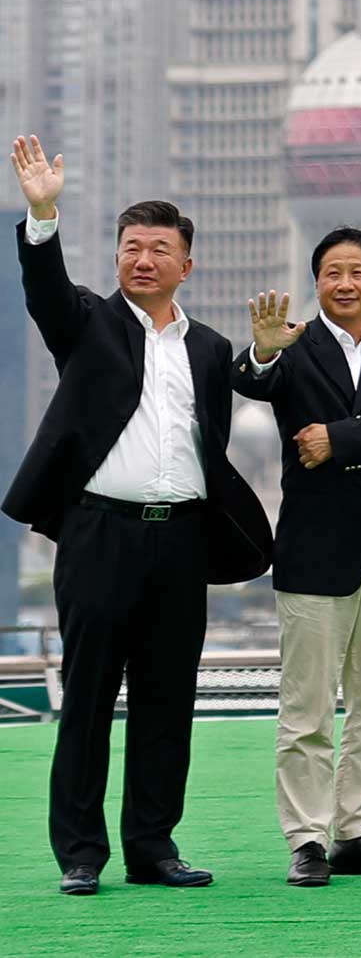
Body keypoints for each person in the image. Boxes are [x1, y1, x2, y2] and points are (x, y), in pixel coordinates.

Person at [6, 135, 272, 896]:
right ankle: (81, 852)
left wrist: (264, 358)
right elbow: (44, 288)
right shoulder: (88, 322)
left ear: (188, 264)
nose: (143, 259)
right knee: (87, 696)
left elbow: (239, 408)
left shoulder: (212, 348)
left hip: (182, 539)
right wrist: (44, 212)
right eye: (131, 247)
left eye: (160, 249)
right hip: (99, 533)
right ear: (118, 257)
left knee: (166, 699)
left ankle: (152, 846)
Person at [233, 227, 361, 886]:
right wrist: (264, 354)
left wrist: (337, 438)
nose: (344, 282)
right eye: (331, 271)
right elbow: (253, 380)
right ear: (316, 280)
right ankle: (307, 839)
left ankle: (360, 831)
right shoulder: (294, 345)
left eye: (357, 271)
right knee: (308, 703)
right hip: (316, 548)